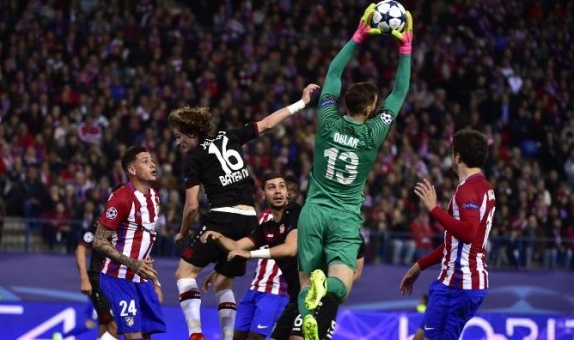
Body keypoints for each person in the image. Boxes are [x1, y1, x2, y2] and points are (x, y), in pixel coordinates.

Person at [296, 5, 413, 339]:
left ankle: (310, 322)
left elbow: (332, 74)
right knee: (341, 286)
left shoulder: (328, 119)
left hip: (313, 211)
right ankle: (324, 292)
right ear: (371, 108)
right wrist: (405, 47)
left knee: (305, 283)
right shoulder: (374, 132)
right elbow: (400, 92)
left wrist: (358, 36)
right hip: (345, 216)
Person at [170, 84, 319, 340]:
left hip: (222, 216)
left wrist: (182, 232)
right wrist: (301, 103)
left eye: (178, 136)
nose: (178, 142)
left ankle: (195, 334)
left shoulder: (194, 157)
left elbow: (192, 205)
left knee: (184, 273)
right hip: (250, 219)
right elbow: (268, 123)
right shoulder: (230, 136)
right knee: (222, 282)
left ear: (191, 133)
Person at [400, 129, 496, 340]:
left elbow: (468, 234)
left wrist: (434, 209)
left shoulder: (467, 191)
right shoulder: (484, 188)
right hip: (458, 282)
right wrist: (420, 265)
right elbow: (456, 243)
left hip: (458, 285)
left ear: (458, 155)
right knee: (420, 337)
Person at [200, 173, 295, 340]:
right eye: (272, 188)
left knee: (255, 337)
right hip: (255, 288)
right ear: (262, 193)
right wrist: (218, 239)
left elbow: (289, 249)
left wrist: (249, 254)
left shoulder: (296, 215)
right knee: (234, 336)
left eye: (282, 187)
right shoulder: (264, 222)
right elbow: (238, 247)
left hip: (276, 291)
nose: (278, 192)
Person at [93, 146, 165, 339]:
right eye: (145, 161)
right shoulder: (121, 198)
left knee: (148, 334)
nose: (153, 164)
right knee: (133, 336)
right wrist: (133, 263)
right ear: (132, 170)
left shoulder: (155, 196)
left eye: (152, 160)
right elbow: (99, 241)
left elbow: (143, 239)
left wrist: (153, 279)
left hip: (142, 279)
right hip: (119, 277)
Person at [74, 219, 118, 339]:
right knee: (116, 326)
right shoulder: (101, 223)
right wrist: (84, 278)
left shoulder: (131, 223)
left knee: (105, 325)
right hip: (99, 280)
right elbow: (81, 249)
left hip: (119, 282)